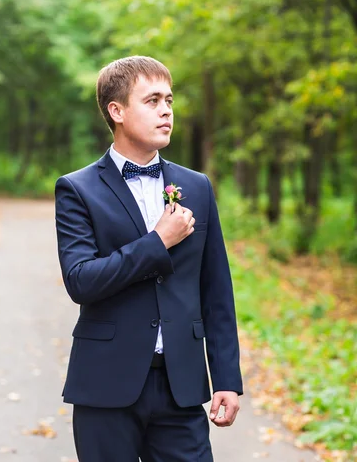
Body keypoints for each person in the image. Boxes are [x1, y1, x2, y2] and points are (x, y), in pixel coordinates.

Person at [55, 55, 243, 462]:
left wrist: (227, 378)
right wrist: (157, 242)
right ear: (117, 111)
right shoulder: (76, 189)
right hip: (106, 386)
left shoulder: (197, 186)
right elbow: (81, 280)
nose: (166, 111)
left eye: (170, 101)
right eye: (153, 100)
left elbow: (216, 291)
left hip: (182, 387)